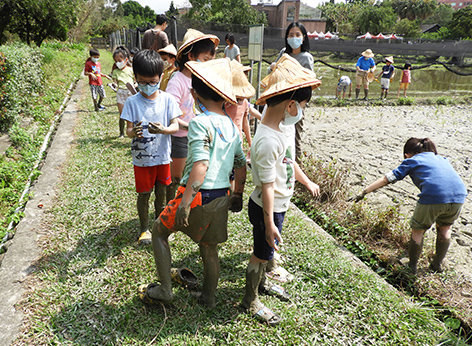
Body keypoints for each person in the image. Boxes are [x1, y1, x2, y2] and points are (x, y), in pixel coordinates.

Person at [137, 58, 247, 308]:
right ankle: (208, 298)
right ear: (225, 97)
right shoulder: (231, 127)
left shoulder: (200, 122)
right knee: (210, 249)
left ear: (195, 93)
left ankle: (165, 290)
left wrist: (185, 203)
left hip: (195, 196)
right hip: (221, 197)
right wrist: (237, 194)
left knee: (159, 231)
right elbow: (240, 164)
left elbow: (200, 165)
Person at [241, 54, 321, 326]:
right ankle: (249, 299)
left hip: (276, 207)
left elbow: (289, 162)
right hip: (267, 208)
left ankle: (262, 284)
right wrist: (269, 223)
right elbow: (265, 187)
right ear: (289, 105)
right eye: (302, 106)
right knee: (261, 253)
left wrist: (307, 181)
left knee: (266, 252)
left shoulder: (280, 131)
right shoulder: (266, 141)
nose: (302, 111)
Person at [350, 138, 467, 274]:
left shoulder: (411, 161)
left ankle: (411, 267)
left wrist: (363, 192)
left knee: (418, 231)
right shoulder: (442, 159)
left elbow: (386, 179)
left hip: (434, 196)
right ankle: (437, 265)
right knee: (445, 229)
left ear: (407, 154)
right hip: (459, 196)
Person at [120, 50, 181, 245]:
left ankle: (160, 225)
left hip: (163, 157)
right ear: (135, 78)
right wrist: (133, 132)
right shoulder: (132, 102)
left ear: (161, 77)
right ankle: (144, 228)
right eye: (142, 82)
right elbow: (128, 130)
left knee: (162, 193)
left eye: (152, 82)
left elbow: (176, 125)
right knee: (144, 194)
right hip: (142, 160)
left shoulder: (168, 100)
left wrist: (164, 130)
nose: (147, 86)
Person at [166, 28, 219, 199]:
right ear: (191, 56)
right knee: (176, 178)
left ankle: (183, 204)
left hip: (197, 137)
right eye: (205, 59)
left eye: (211, 60)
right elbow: (170, 114)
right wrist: (190, 126)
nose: (208, 63)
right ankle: (169, 207)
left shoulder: (201, 81)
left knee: (191, 175)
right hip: (180, 138)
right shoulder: (177, 81)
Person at [270, 21, 314, 162]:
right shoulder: (284, 53)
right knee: (278, 132)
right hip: (280, 100)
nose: (294, 38)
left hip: (296, 103)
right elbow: (273, 73)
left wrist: (301, 104)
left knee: (295, 136)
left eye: (297, 35)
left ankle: (297, 167)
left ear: (304, 37)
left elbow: (309, 82)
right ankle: (280, 162)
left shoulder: (306, 58)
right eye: (290, 35)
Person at [225, 60, 254, 161]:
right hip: (224, 142)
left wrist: (250, 143)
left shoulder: (245, 102)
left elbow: (244, 121)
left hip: (238, 143)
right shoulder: (224, 104)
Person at [111, 46, 134, 137]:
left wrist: (135, 86)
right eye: (116, 61)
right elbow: (115, 81)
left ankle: (133, 130)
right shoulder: (115, 71)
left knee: (132, 113)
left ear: (126, 59)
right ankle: (121, 133)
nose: (118, 63)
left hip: (130, 92)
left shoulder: (131, 70)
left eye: (120, 61)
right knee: (122, 114)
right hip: (120, 93)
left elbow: (135, 81)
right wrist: (114, 85)